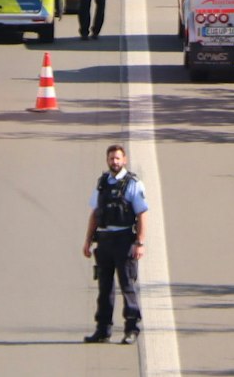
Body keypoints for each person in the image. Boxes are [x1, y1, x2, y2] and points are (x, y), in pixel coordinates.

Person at [82, 144, 149, 345]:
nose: (115, 162)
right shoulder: (102, 183)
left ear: (124, 160)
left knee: (127, 286)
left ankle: (131, 329)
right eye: (111, 158)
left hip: (124, 240)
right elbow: (94, 213)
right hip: (104, 242)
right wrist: (87, 240)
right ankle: (102, 330)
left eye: (118, 158)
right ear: (107, 160)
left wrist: (140, 243)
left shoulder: (133, 184)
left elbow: (142, 214)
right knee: (104, 288)